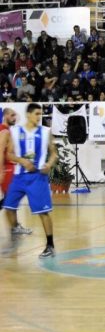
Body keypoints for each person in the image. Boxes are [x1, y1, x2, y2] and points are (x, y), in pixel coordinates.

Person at [4, 103, 57, 258]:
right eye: (36, 114)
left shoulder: (46, 132)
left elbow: (54, 153)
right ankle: (15, 234)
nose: (39, 117)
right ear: (28, 115)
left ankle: (50, 245)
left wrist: (49, 164)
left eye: (40, 114)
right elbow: (9, 154)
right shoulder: (15, 131)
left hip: (38, 177)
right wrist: (22, 161)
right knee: (8, 206)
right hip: (19, 176)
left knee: (43, 212)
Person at [0, 108, 32, 235]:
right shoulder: (5, 132)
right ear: (6, 115)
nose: (15, 118)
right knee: (10, 199)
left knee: (10, 200)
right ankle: (15, 227)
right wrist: (1, 171)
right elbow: (1, 151)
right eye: (12, 115)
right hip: (6, 169)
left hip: (8, 168)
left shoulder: (5, 130)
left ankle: (15, 226)